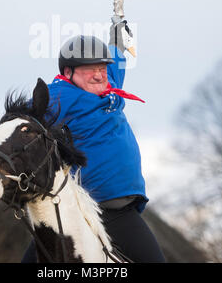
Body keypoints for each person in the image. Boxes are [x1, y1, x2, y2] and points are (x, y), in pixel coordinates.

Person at [22, 21, 166, 263]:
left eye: (102, 67)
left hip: (121, 209)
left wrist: (118, 36)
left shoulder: (107, 86)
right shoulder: (58, 95)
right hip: (93, 208)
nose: (100, 74)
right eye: (90, 69)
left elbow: (117, 63)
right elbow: (20, 123)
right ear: (68, 72)